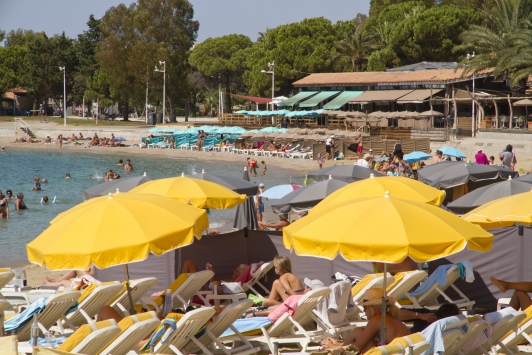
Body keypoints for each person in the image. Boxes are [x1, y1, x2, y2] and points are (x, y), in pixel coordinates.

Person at [321, 288, 410, 352]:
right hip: (400, 352)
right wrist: (339, 345)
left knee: (358, 331)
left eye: (365, 308)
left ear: (374, 309)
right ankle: (340, 349)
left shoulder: (377, 320)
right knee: (359, 331)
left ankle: (337, 352)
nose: (364, 312)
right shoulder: (392, 317)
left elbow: (357, 347)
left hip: (391, 352)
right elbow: (362, 340)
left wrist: (333, 347)